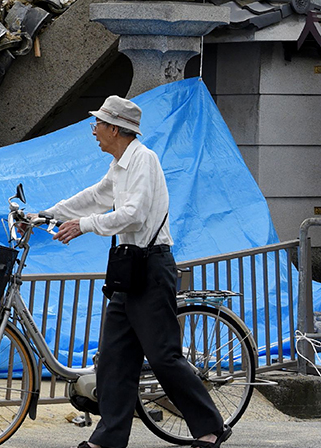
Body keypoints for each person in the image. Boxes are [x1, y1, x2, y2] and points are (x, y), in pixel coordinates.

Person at [40, 95, 231, 448]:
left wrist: (84, 225)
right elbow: (96, 195)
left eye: (98, 123)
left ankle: (211, 427)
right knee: (115, 358)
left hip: (151, 266)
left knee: (163, 356)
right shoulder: (120, 164)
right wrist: (50, 213)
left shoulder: (144, 160)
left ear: (115, 128)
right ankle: (109, 438)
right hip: (128, 270)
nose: (94, 130)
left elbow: (133, 214)